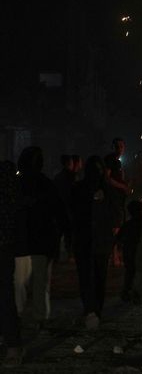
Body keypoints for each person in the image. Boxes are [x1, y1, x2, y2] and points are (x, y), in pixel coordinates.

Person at [15, 146, 67, 329]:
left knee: (19, 283)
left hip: (23, 242)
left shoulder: (17, 184)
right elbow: (59, 213)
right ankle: (39, 316)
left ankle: (18, 314)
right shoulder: (45, 184)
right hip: (39, 241)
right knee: (39, 283)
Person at [71, 156, 114, 330]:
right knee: (98, 278)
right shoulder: (106, 190)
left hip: (87, 241)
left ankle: (91, 311)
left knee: (88, 278)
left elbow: (73, 214)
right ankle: (94, 311)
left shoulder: (80, 189)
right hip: (98, 242)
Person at [0, 161, 23, 367]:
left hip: (4, 246)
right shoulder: (12, 187)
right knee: (5, 297)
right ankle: (12, 344)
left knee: (5, 298)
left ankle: (13, 345)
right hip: (6, 246)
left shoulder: (7, 185)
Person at [117, 200, 142, 304]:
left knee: (129, 271)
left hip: (127, 250)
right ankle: (135, 292)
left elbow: (119, 236)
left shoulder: (128, 223)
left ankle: (126, 291)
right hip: (137, 251)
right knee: (139, 271)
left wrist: (119, 246)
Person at [105, 138, 130, 267]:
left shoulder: (117, 162)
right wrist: (122, 187)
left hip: (119, 199)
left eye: (122, 146)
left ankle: (116, 255)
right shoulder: (110, 160)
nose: (120, 149)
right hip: (113, 199)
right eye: (117, 146)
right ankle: (114, 256)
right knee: (115, 227)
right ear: (113, 147)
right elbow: (107, 179)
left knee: (119, 226)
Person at [54, 154, 76, 260]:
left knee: (59, 233)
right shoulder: (72, 176)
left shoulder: (58, 177)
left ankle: (56, 255)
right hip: (69, 208)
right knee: (69, 233)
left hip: (59, 207)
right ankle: (69, 254)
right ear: (69, 163)